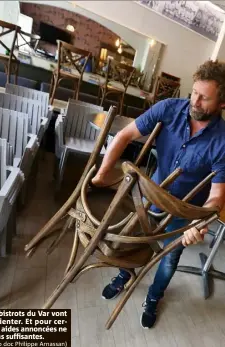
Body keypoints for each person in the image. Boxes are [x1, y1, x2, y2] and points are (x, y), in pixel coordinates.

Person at [91, 60, 225, 329]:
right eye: (194, 93)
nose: (195, 102)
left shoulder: (223, 141)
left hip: (185, 210)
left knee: (168, 259)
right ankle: (124, 275)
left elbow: (216, 197)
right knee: (136, 240)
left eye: (204, 98)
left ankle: (153, 297)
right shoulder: (170, 108)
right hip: (152, 193)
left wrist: (199, 225)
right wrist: (102, 174)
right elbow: (125, 135)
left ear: (222, 104)